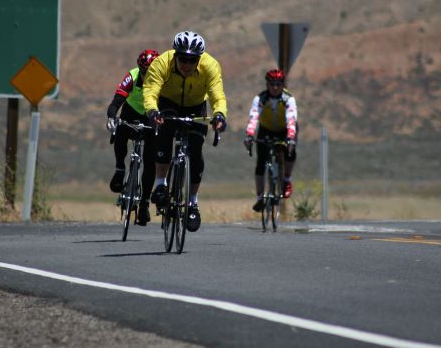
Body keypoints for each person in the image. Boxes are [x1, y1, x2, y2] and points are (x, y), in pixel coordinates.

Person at [143, 30, 228, 232]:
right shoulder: (162, 62)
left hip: (196, 106)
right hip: (168, 103)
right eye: (183, 59)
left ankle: (192, 203)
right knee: (163, 136)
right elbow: (151, 90)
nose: (187, 65)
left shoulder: (210, 66)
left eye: (192, 60)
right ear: (175, 55)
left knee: (196, 152)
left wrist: (220, 115)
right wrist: (153, 111)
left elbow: (217, 95)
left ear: (199, 59)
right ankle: (161, 184)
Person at [106, 49, 160, 226]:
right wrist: (112, 117)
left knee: (150, 160)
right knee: (121, 130)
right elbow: (116, 102)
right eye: (145, 72)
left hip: (152, 118)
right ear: (140, 69)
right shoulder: (132, 76)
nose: (147, 75)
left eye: (151, 72)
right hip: (131, 113)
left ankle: (144, 204)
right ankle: (120, 168)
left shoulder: (165, 81)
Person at [243, 68, 298, 211]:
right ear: (267, 84)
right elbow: (253, 117)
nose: (275, 87)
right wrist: (249, 135)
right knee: (260, 163)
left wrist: (290, 138)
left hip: (284, 130)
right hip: (265, 129)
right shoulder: (260, 98)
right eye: (272, 84)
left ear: (282, 85)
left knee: (290, 152)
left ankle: (286, 179)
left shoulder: (288, 99)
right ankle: (260, 198)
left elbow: (291, 119)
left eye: (278, 84)